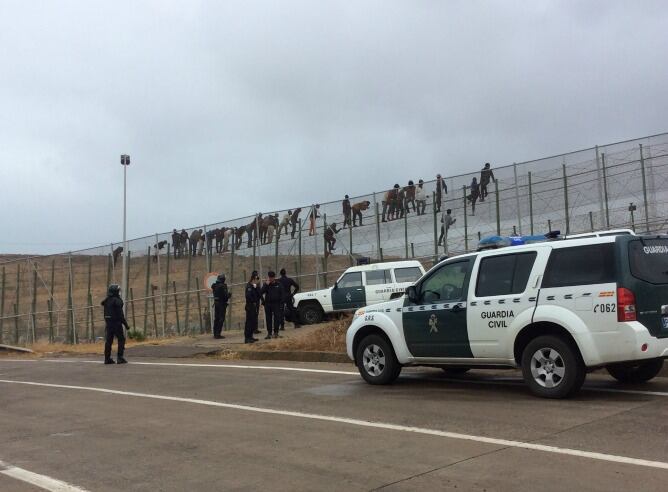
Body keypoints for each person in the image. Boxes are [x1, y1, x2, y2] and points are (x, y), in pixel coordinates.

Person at [101, 284, 130, 364]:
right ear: (116, 292)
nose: (119, 292)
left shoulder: (107, 300)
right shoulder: (117, 301)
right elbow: (120, 315)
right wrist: (126, 325)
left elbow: (103, 304)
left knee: (108, 341)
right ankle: (120, 357)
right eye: (118, 291)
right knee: (121, 339)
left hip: (108, 324)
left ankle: (107, 358)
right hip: (116, 323)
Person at [260, 271, 285, 339]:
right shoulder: (267, 285)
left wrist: (281, 304)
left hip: (276, 304)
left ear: (274, 277)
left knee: (277, 318)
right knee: (268, 319)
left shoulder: (279, 284)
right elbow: (260, 292)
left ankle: (276, 333)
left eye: (271, 277)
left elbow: (282, 294)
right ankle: (269, 333)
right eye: (269, 277)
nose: (270, 279)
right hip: (268, 304)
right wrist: (266, 284)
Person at [211, 274, 231, 339]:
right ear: (223, 279)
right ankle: (218, 334)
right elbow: (225, 297)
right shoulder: (223, 286)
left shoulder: (214, 286)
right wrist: (229, 295)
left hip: (216, 303)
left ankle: (215, 333)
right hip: (221, 304)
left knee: (216, 318)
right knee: (221, 319)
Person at [244, 273, 261, 343]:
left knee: (253, 322)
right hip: (250, 306)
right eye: (256, 280)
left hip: (253, 306)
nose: (257, 282)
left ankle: (251, 336)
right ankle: (247, 338)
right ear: (253, 279)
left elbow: (258, 294)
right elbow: (248, 296)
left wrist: (256, 287)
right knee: (249, 322)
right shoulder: (249, 287)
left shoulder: (253, 286)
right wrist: (253, 301)